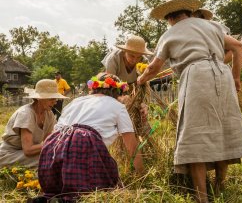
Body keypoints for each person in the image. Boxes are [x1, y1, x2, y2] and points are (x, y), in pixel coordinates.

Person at [137, 0, 242, 202]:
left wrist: (141, 79)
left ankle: (202, 196)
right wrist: (235, 77)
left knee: (195, 134)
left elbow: (154, 67)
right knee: (222, 129)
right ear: (188, 13)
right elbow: (238, 47)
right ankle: (220, 186)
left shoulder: (170, 33)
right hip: (222, 75)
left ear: (170, 18)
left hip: (196, 76)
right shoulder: (212, 26)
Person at [38, 73, 144, 202]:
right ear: (118, 92)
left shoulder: (76, 101)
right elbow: (132, 146)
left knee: (58, 191)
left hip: (53, 147)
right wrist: (142, 176)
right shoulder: (118, 106)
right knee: (95, 192)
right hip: (82, 144)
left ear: (93, 88)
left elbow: (58, 130)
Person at [0, 79, 67, 168]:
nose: (55, 102)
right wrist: (54, 142)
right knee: (48, 158)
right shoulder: (26, 114)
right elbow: (28, 150)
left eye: (56, 98)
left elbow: (48, 142)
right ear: (39, 98)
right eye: (51, 98)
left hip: (26, 154)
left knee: (57, 155)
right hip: (10, 154)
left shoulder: (49, 114)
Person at [102, 35, 153, 131]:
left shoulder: (144, 61)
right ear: (125, 51)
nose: (135, 60)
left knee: (140, 111)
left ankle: (142, 132)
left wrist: (141, 103)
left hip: (133, 87)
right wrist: (123, 98)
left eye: (138, 57)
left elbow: (143, 86)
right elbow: (109, 86)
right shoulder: (114, 59)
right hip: (114, 87)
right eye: (131, 55)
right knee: (119, 113)